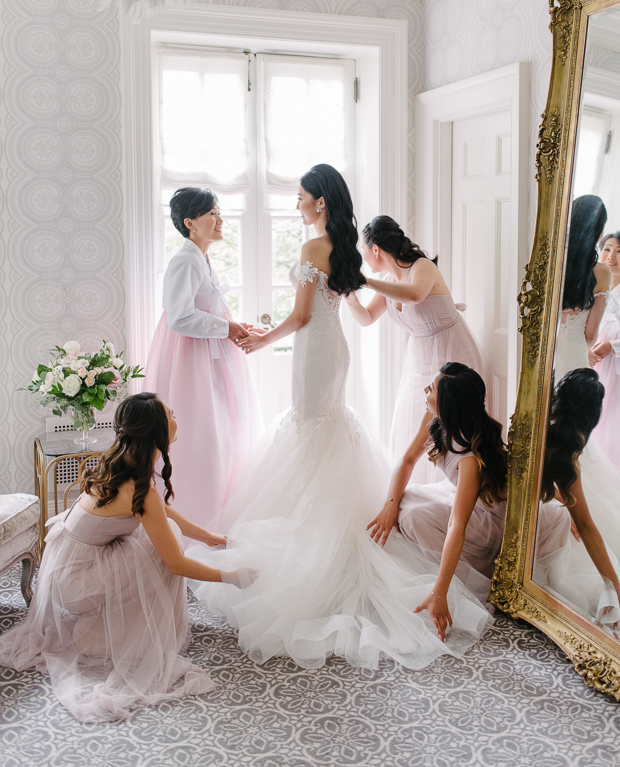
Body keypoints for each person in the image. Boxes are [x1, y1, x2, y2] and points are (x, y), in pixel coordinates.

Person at [187, 164, 494, 671]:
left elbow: (303, 315)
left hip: (315, 349)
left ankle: (316, 538)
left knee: (311, 427)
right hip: (332, 349)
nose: (297, 205)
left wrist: (262, 340)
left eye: (302, 197)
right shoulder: (344, 247)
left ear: (321, 203)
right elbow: (344, 307)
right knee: (320, 426)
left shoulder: (314, 248)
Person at [0, 393, 255, 722]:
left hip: (67, 567)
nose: (178, 418)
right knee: (162, 552)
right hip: (75, 581)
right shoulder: (140, 490)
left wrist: (209, 537)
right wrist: (233, 577)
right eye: (172, 413)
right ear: (156, 431)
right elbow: (176, 563)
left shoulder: (123, 465)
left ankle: (109, 622)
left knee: (156, 539)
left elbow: (164, 513)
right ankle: (108, 634)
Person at [144, 187, 262, 527]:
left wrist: (234, 325)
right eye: (213, 213)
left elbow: (205, 307)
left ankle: (215, 510)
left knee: (220, 432)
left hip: (208, 356)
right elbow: (180, 316)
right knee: (200, 436)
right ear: (190, 223)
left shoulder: (200, 258)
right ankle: (195, 516)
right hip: (191, 362)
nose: (220, 220)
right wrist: (227, 327)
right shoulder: (184, 260)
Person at [366, 362, 507, 640]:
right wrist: (390, 504)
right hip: (460, 498)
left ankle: (458, 575)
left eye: (431, 389)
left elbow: (457, 524)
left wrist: (439, 592)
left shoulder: (470, 458)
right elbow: (407, 460)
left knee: (414, 517)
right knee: (404, 502)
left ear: (447, 403)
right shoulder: (434, 419)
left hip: (489, 519)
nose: (425, 391)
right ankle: (432, 564)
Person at [344, 216, 483, 481]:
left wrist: (365, 282)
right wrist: (349, 295)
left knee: (453, 426)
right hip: (419, 358)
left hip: (452, 351)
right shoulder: (387, 279)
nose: (362, 255)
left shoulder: (422, 267)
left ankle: (456, 491)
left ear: (376, 249)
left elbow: (415, 294)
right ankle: (415, 491)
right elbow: (365, 318)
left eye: (364, 249)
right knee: (409, 423)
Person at [534, 369, 620, 638]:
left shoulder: (538, 427)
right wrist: (613, 587)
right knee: (579, 545)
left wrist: (559, 499)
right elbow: (587, 527)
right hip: (533, 530)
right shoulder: (566, 458)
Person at [554, 194, 611, 380]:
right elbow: (591, 333)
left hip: (543, 349)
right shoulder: (601, 273)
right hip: (574, 352)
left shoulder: (553, 263)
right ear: (599, 231)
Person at [589, 232, 620, 479]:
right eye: (607, 249)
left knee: (619, 428)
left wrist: (613, 347)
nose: (611, 256)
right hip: (595, 369)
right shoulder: (592, 290)